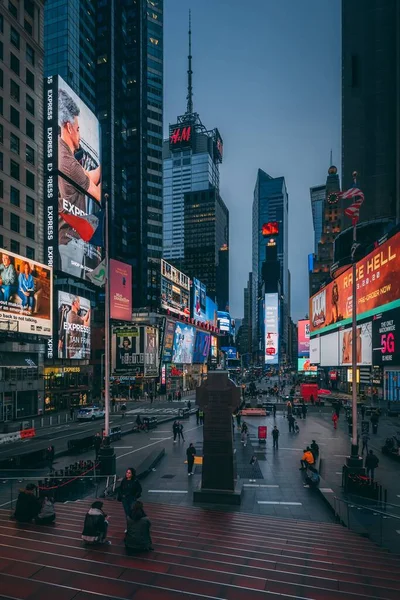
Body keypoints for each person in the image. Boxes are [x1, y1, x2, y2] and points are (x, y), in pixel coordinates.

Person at [58, 88, 101, 278]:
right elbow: (98, 194)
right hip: (68, 245)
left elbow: (88, 177)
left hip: (68, 242)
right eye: (78, 129)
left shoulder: (62, 152)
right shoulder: (67, 161)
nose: (80, 135)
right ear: (68, 127)